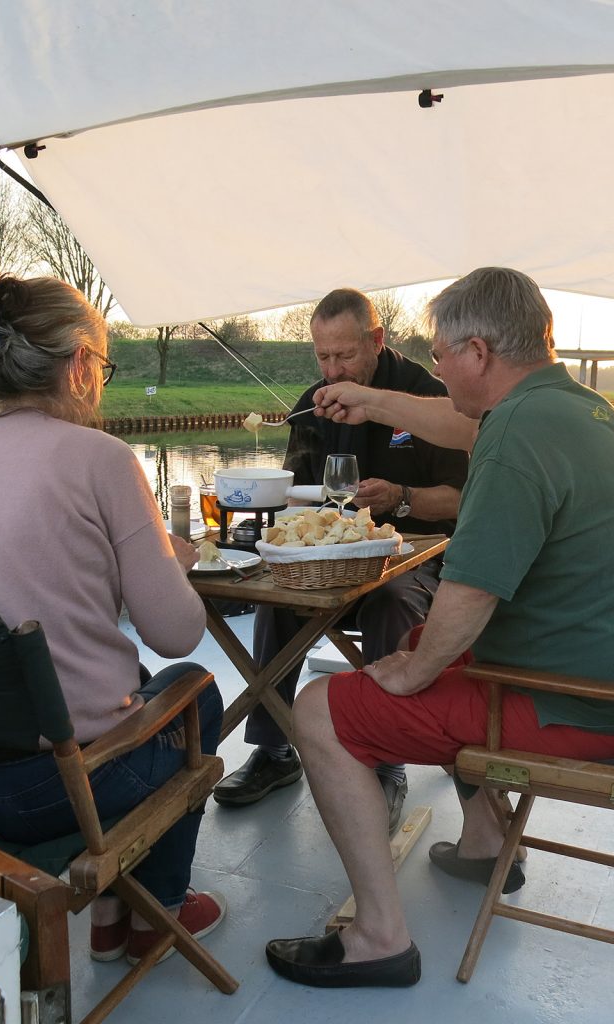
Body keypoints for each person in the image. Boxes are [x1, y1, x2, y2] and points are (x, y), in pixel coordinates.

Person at [264, 267, 614, 988]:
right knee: (424, 639)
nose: (438, 367)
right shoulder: (572, 406)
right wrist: (366, 397)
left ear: (478, 352)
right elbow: (458, 423)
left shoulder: (515, 436)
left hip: (570, 706)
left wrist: (410, 674)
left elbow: (471, 590)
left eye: (444, 353)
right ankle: (487, 842)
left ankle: (378, 939)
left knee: (320, 711)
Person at [0, 273, 225, 968]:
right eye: (101, 367)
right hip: (55, 792)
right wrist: (172, 561)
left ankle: (110, 912)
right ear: (78, 364)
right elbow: (176, 633)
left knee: (125, 677)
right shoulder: (102, 459)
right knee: (195, 685)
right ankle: (148, 911)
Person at [212, 288, 468, 834]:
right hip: (334, 556)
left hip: (418, 556)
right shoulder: (314, 402)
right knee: (279, 596)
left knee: (391, 599)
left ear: (376, 341)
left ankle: (384, 761)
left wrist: (402, 496)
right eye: (322, 357)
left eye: (344, 356)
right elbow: (294, 493)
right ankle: (274, 749)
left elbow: (466, 497)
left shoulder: (431, 398)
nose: (332, 370)